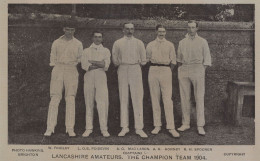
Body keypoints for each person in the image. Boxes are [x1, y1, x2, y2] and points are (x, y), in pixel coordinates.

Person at [44, 20, 83, 137]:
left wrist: (72, 64)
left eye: (72, 30)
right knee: (55, 97)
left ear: (74, 30)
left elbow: (80, 58)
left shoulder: (78, 43)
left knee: (70, 98)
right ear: (63, 29)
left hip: (71, 69)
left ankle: (70, 128)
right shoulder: (56, 42)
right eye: (67, 29)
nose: (69, 32)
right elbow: (52, 57)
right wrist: (57, 66)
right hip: (58, 69)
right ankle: (50, 128)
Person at [112, 23, 148, 138]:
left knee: (137, 98)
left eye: (132, 29)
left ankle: (139, 128)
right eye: (127, 29)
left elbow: (144, 60)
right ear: (123, 30)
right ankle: (124, 127)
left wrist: (135, 64)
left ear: (134, 30)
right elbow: (115, 60)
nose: (129, 31)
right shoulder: (118, 43)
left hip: (135, 69)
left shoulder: (139, 42)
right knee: (124, 97)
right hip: (122, 69)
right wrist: (123, 64)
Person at [177, 20, 211, 135]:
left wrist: (201, 70)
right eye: (189, 27)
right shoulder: (182, 42)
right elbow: (179, 59)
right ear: (186, 29)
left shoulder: (203, 41)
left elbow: (207, 59)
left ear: (197, 28)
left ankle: (200, 125)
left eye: (193, 27)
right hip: (184, 69)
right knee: (184, 97)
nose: (191, 30)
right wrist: (182, 69)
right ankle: (185, 123)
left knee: (199, 97)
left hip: (198, 69)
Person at [146, 24, 180, 138]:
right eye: (159, 31)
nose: (161, 33)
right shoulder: (150, 45)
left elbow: (174, 62)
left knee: (167, 99)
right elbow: (147, 59)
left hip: (166, 70)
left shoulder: (170, 45)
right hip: (153, 70)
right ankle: (157, 125)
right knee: (155, 98)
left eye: (163, 31)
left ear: (166, 32)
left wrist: (166, 70)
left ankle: (171, 127)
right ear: (156, 32)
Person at [81, 31, 111, 137]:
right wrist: (99, 63)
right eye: (95, 37)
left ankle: (104, 129)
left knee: (102, 103)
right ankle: (88, 128)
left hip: (101, 77)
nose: (98, 39)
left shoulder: (106, 50)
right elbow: (85, 65)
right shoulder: (85, 51)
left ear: (102, 39)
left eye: (100, 37)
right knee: (89, 102)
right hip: (88, 77)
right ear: (92, 38)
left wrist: (92, 61)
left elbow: (105, 65)